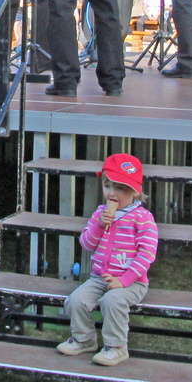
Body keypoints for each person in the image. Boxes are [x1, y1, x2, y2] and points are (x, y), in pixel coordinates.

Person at [56, 154, 157, 367]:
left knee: (112, 301)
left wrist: (125, 280)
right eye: (107, 186)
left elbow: (147, 253)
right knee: (76, 300)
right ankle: (84, 339)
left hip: (132, 282)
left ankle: (116, 347)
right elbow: (86, 243)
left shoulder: (143, 218)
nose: (112, 193)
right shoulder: (100, 213)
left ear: (135, 191)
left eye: (119, 188)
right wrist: (99, 225)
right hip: (99, 278)